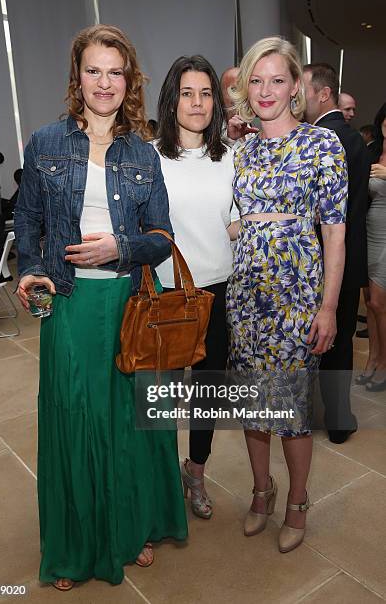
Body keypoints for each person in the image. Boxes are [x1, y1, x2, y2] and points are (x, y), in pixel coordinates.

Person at [14, 24, 187, 591]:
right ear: (77, 76)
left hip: (128, 301)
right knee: (74, 420)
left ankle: (129, 529)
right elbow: (30, 223)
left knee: (128, 424)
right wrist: (31, 270)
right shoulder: (44, 143)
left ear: (129, 80)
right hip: (68, 303)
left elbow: (161, 235)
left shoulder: (144, 150)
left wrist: (122, 246)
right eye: (94, 70)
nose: (104, 82)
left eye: (115, 71)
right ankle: (74, 547)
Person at [227, 37, 347, 553]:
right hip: (245, 297)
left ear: (297, 86)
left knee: (292, 411)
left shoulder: (323, 145)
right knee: (255, 407)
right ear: (245, 88)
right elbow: (229, 219)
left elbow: (335, 233)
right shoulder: (240, 149)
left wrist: (329, 306)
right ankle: (262, 491)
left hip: (299, 296)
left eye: (277, 79)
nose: (266, 90)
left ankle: (297, 501)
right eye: (256, 80)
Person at [155, 55, 240, 520]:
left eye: (206, 93)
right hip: (167, 295)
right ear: (172, 101)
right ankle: (164, 479)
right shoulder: (151, 157)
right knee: (164, 395)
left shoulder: (229, 157)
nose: (197, 102)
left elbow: (229, 223)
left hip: (217, 292)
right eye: (187, 93)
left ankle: (196, 472)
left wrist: (255, 222)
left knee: (209, 393)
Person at [303, 62, 370, 443]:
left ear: (322, 93)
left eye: (304, 89)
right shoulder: (349, 136)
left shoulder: (324, 139)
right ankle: (338, 418)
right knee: (337, 339)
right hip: (349, 253)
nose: (298, 97)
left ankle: (335, 418)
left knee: (330, 338)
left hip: (331, 256)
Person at [361, 103, 386, 391]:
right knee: (370, 303)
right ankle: (373, 359)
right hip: (370, 231)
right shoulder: (372, 152)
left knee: (380, 303)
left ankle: (384, 364)